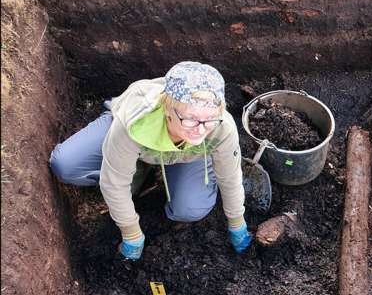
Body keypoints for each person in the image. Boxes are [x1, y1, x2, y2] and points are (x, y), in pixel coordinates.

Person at [50, 61, 253, 261]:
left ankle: (146, 168)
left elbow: (230, 178)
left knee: (189, 208)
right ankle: (139, 168)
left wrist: (237, 223)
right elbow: (114, 184)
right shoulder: (136, 122)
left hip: (185, 155)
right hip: (136, 140)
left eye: (209, 120)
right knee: (66, 165)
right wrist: (131, 234)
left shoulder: (221, 128)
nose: (199, 129)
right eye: (190, 119)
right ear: (168, 109)